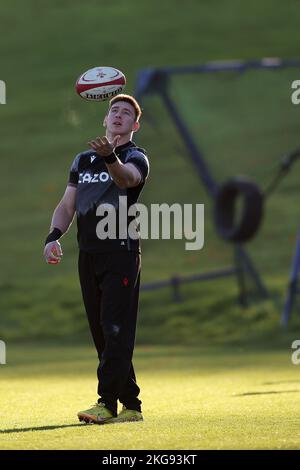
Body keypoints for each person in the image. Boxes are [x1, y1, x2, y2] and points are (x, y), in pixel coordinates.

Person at [44, 94, 149, 424]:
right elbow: (66, 205)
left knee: (115, 328)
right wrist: (52, 236)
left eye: (126, 113)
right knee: (103, 334)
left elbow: (127, 179)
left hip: (121, 253)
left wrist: (110, 158)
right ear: (105, 120)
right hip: (88, 255)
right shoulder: (82, 161)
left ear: (135, 125)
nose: (118, 115)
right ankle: (131, 406)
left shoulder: (136, 157)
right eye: (113, 110)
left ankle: (106, 403)